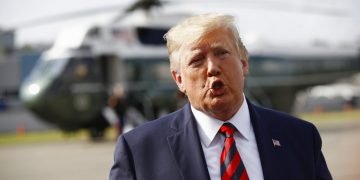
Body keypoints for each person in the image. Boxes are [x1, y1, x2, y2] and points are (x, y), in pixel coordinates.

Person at [110, 13, 332, 180]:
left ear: (244, 63)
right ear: (179, 80)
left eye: (222, 53)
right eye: (197, 60)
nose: (212, 67)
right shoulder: (139, 151)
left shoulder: (300, 138)